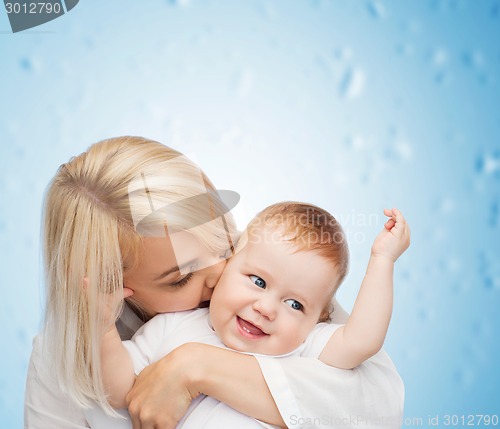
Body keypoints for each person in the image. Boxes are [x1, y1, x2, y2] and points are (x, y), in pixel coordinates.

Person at [24, 136, 405, 429]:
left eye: (222, 240)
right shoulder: (64, 353)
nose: (218, 274)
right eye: (182, 278)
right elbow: (120, 389)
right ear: (111, 286)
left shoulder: (276, 270)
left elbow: (377, 404)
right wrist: (102, 330)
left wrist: (195, 367)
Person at [99, 202, 410, 429]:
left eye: (295, 305)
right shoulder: (173, 325)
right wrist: (102, 328)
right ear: (227, 262)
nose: (266, 308)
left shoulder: (304, 348)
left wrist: (383, 260)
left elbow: (363, 340)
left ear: (320, 318)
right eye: (258, 281)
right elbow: (120, 391)